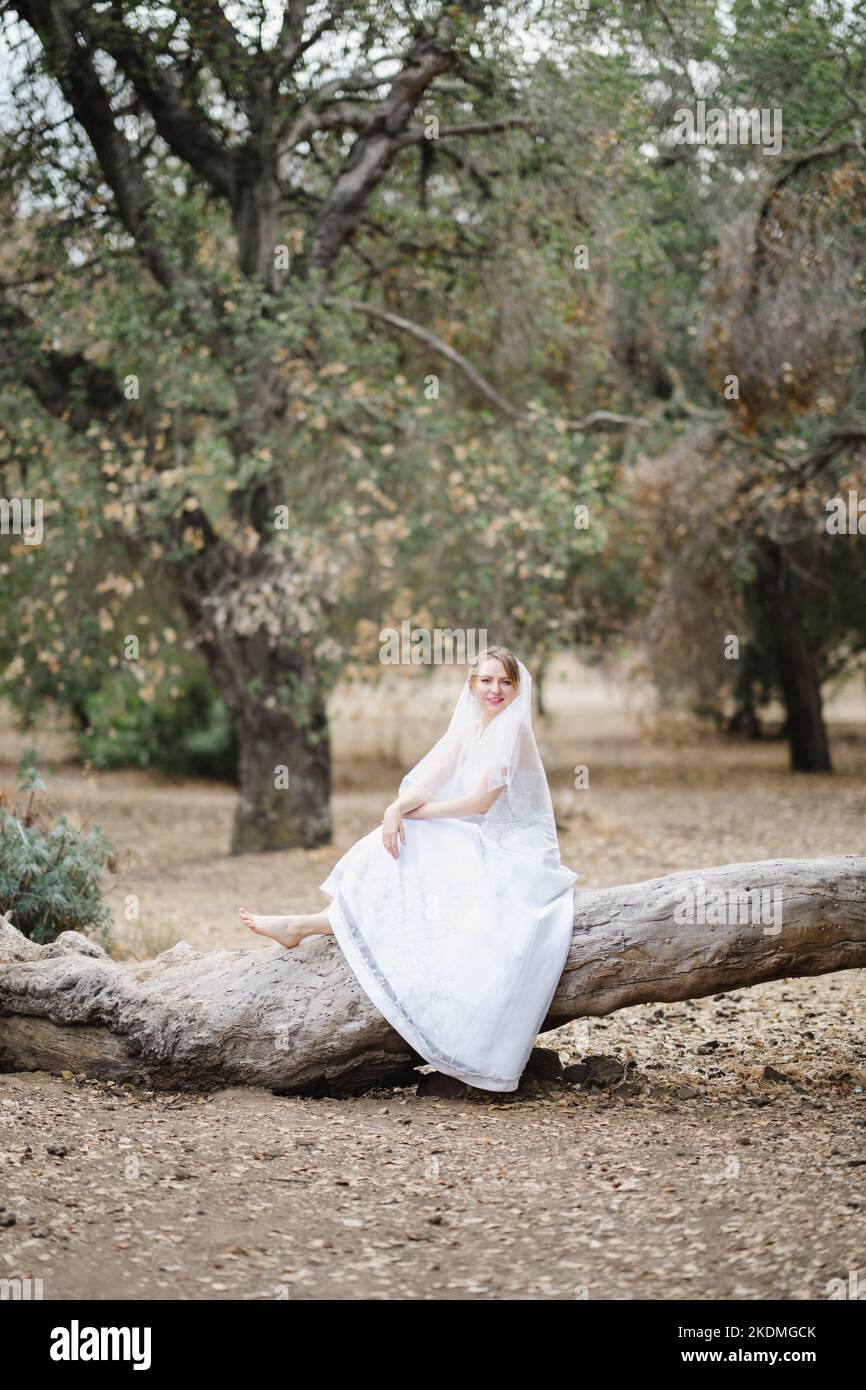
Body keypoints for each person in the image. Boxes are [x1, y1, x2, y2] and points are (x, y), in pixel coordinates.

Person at [239, 646, 579, 1092]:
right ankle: (309, 923)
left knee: (429, 836)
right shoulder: (471, 727)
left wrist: (415, 816)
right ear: (472, 686)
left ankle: (307, 924)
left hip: (520, 853)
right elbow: (426, 780)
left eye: (505, 682)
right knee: (415, 836)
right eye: (487, 681)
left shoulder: (512, 732)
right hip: (484, 840)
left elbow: (478, 804)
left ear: (516, 689)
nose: (495, 690)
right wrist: (396, 807)